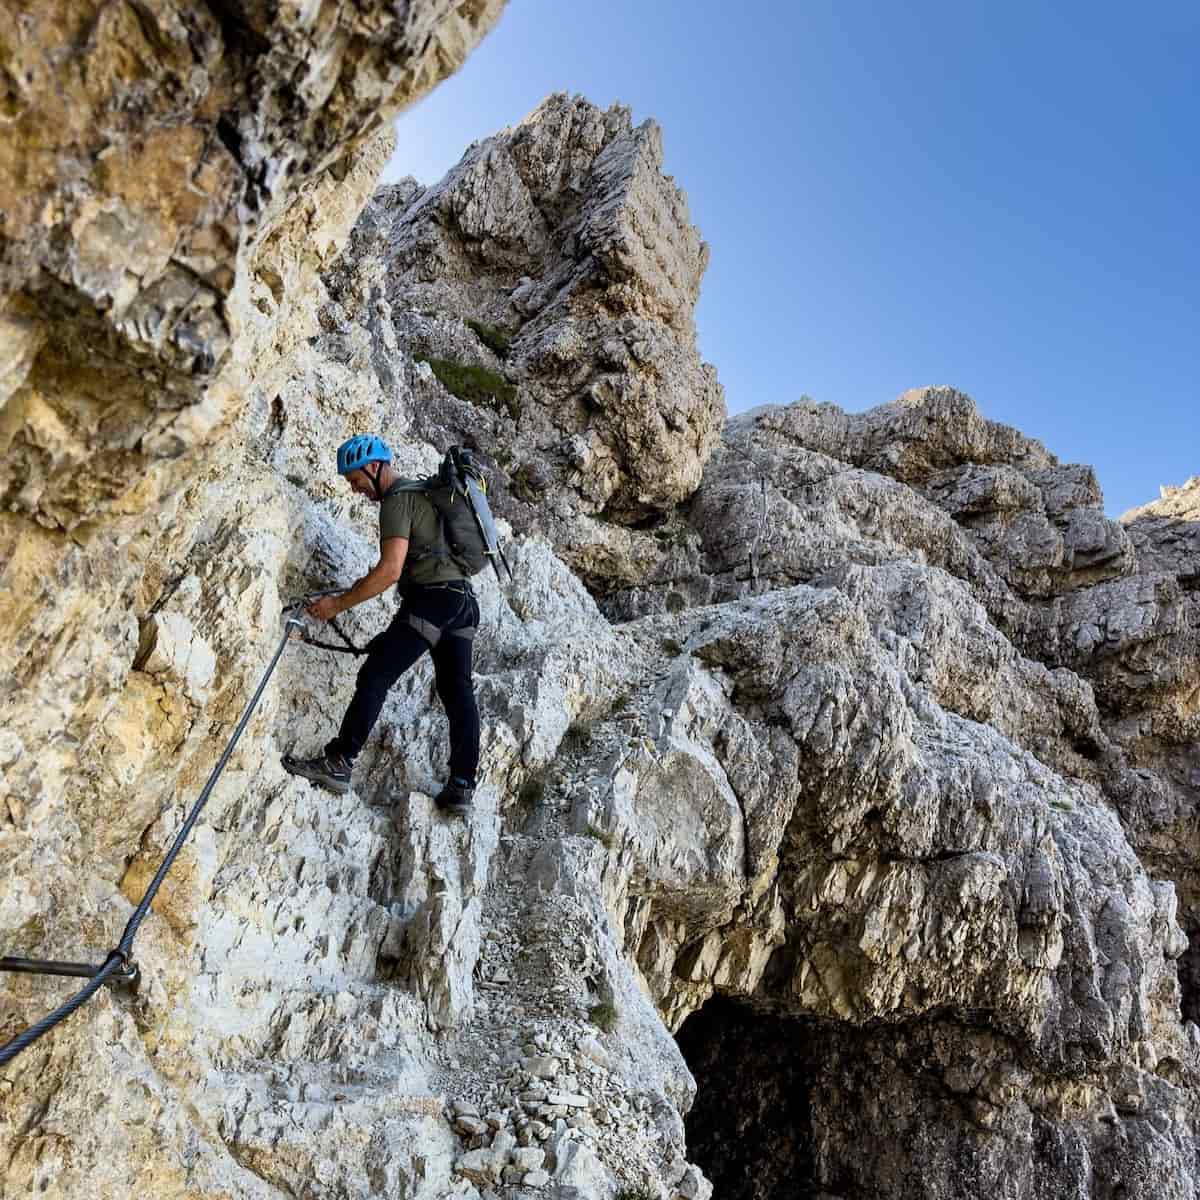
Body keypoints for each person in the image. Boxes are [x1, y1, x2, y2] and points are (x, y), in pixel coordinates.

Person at [283, 434, 479, 815]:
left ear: (373, 467)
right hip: (464, 603)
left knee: (375, 675)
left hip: (433, 601)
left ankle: (339, 761)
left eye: (355, 479)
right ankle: (462, 786)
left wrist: (336, 605)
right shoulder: (423, 494)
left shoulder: (397, 500)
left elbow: (389, 571)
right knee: (458, 692)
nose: (355, 489)